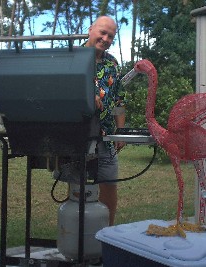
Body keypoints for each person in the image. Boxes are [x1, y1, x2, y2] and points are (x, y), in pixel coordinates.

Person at [83, 16, 126, 226]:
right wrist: (85, 95)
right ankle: (80, 237)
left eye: (110, 35)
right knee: (78, 188)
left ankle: (108, 236)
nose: (105, 38)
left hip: (107, 137)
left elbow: (119, 100)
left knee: (109, 185)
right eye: (102, 32)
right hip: (77, 137)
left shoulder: (113, 63)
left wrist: (121, 131)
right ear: (91, 29)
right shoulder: (72, 57)